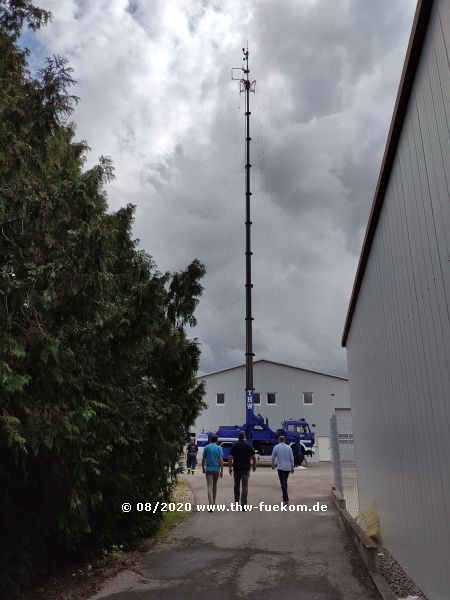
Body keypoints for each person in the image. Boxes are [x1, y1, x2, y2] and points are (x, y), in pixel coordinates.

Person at [228, 431, 256, 507]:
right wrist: (254, 465)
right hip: (246, 469)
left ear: (238, 437)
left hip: (236, 469)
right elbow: (253, 456)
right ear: (244, 437)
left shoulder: (234, 445)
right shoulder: (248, 445)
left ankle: (236, 502)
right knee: (245, 486)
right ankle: (243, 503)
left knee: (236, 486)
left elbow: (230, 457)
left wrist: (230, 468)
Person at [202, 434, 224, 508]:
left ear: (211, 440)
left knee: (209, 486)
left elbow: (203, 459)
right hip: (216, 470)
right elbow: (221, 460)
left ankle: (210, 504)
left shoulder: (206, 447)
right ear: (217, 440)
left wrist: (203, 468)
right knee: (214, 485)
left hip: (208, 470)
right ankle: (213, 502)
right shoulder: (219, 448)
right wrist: (222, 471)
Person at [271, 435, 294, 505]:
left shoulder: (276, 447)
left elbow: (273, 457)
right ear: (284, 440)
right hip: (288, 468)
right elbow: (291, 458)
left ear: (278, 440)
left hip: (281, 467)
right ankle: (284, 495)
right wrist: (292, 467)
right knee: (285, 482)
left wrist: (273, 464)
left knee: (283, 483)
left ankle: (286, 500)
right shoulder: (289, 447)